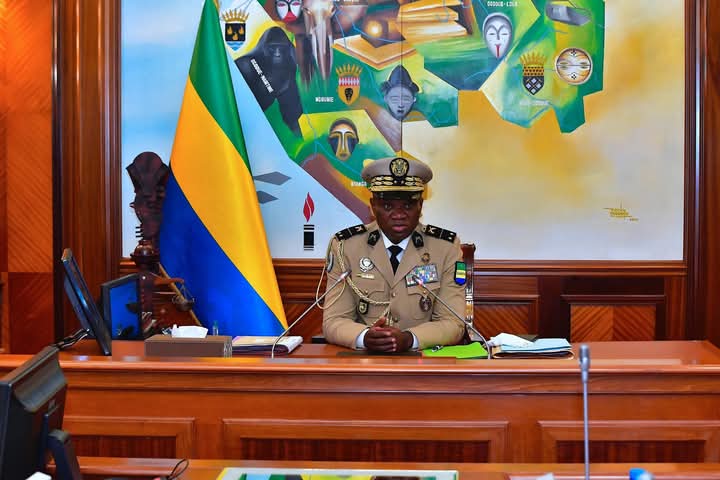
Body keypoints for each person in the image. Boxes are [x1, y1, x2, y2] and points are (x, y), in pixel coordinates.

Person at [322, 155, 467, 352]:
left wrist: (410, 339)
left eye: (407, 205)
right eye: (388, 206)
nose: (399, 215)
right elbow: (334, 320)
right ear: (373, 206)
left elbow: (453, 322)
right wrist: (365, 337)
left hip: (422, 362)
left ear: (420, 205)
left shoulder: (445, 248)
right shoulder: (345, 246)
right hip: (364, 362)